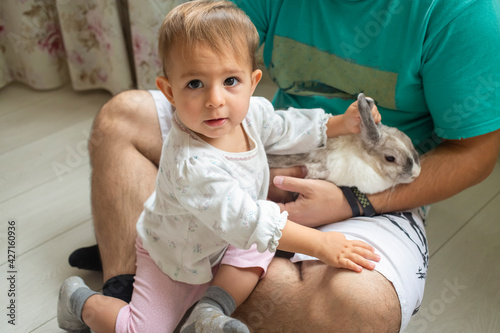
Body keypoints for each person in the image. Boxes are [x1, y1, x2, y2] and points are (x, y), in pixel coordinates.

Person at [70, 0, 500, 332]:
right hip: (255, 152)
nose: (216, 94)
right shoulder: (227, 115)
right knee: (120, 119)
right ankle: (131, 291)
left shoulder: (464, 14)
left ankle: (172, 279)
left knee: (357, 311)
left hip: (372, 189)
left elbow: (476, 153)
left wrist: (354, 201)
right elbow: (216, 58)